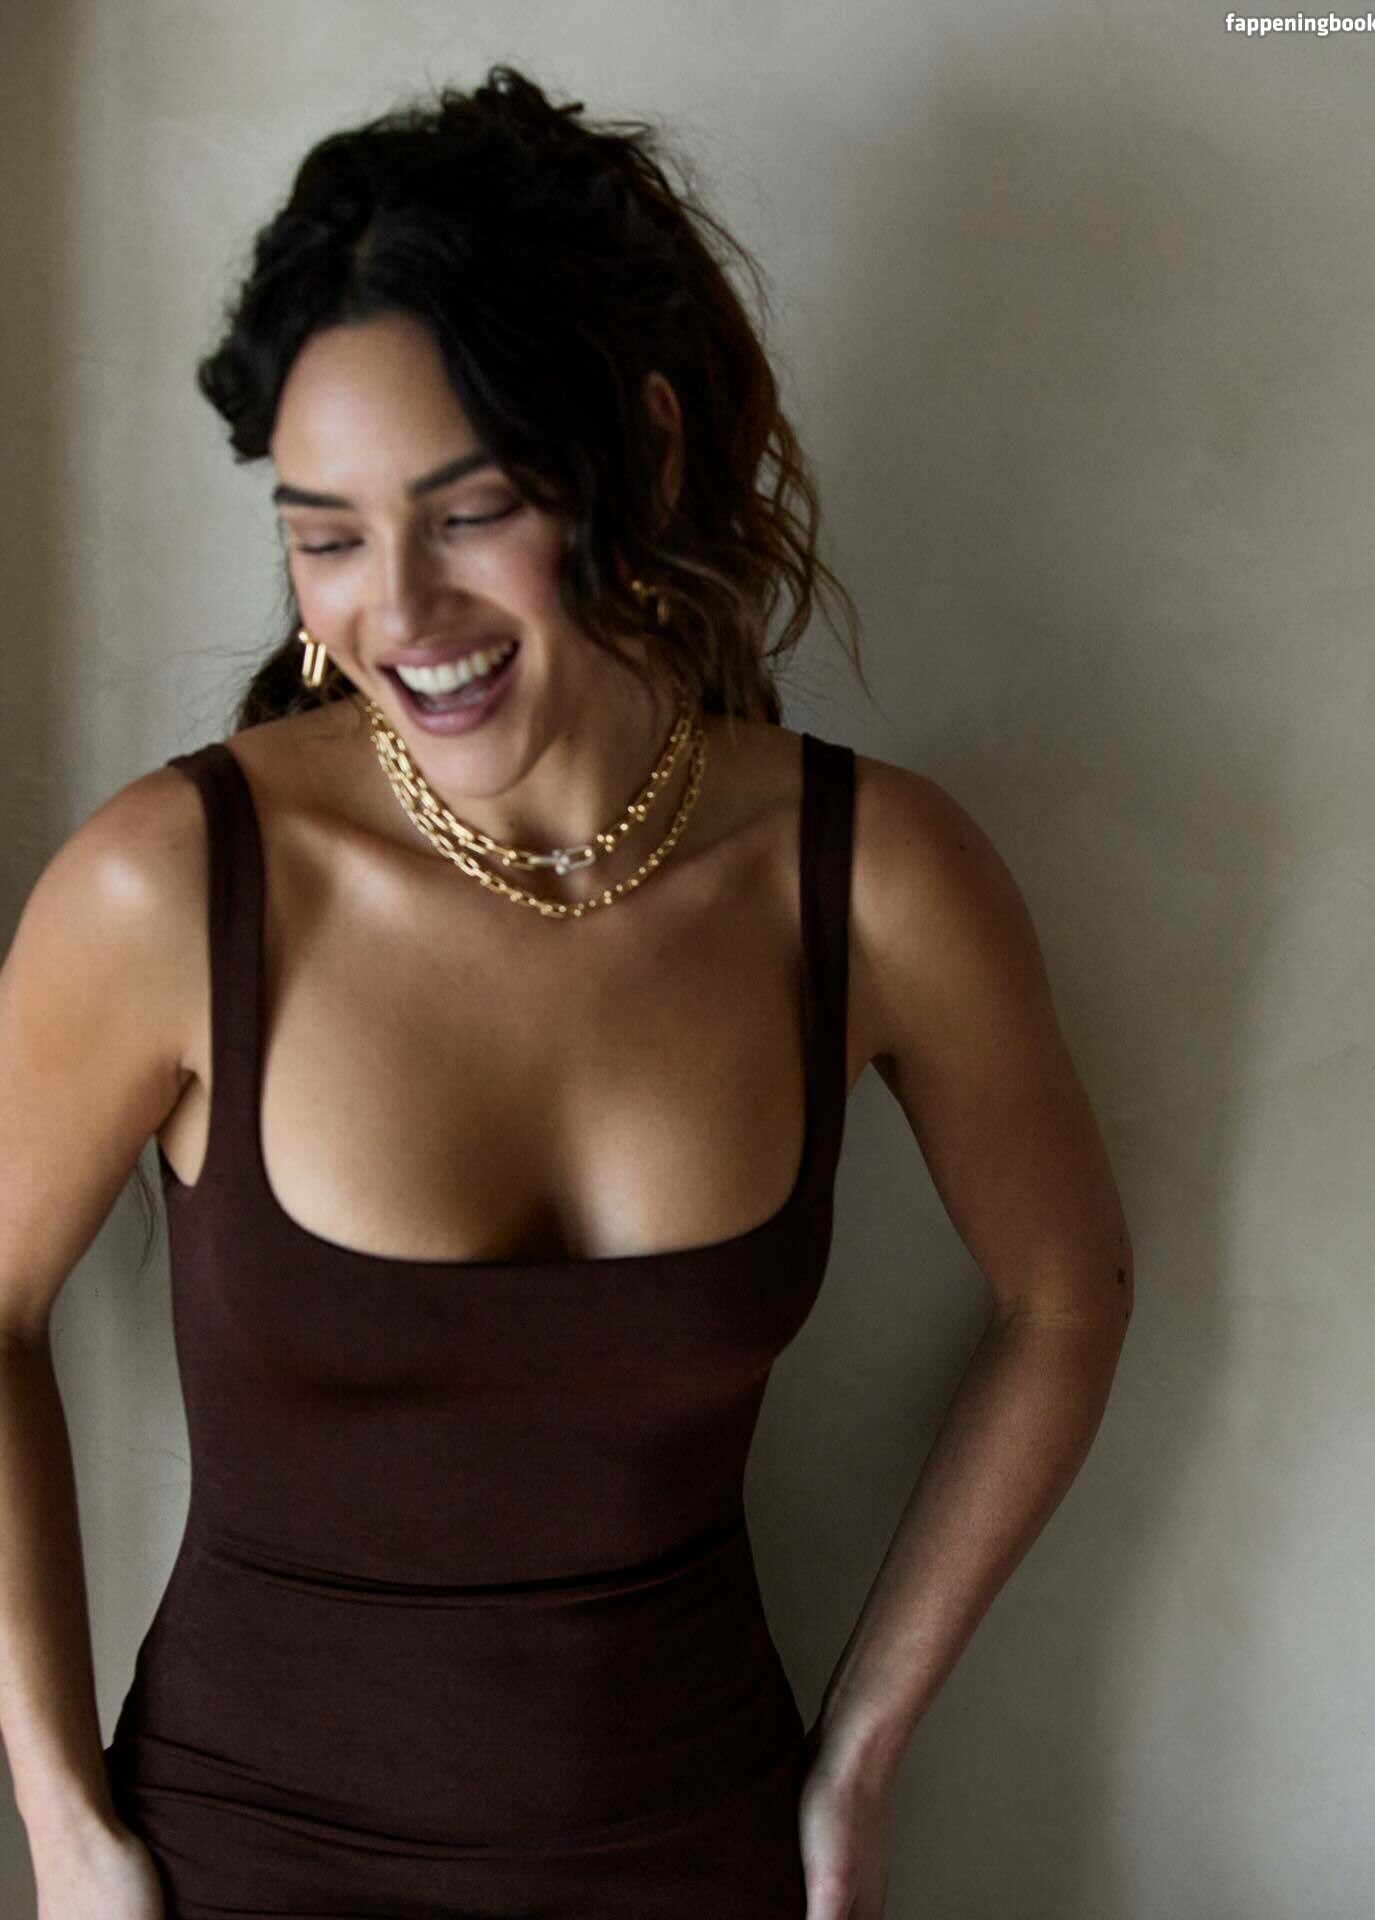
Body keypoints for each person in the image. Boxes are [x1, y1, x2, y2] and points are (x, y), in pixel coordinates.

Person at [0, 64, 1133, 1920]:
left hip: (702, 1855)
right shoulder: (171, 885)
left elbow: (1067, 1295)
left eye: (471, 511)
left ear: (648, 453)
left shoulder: (876, 879)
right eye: (327, 532)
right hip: (243, 1867)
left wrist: (861, 1753)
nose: (399, 612)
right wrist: (65, 1835)